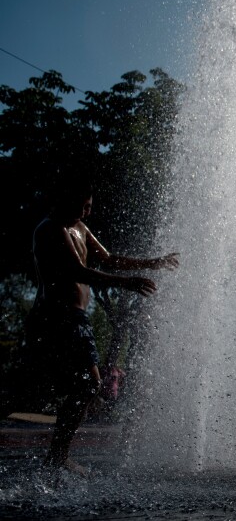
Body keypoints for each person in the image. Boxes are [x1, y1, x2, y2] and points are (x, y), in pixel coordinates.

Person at [0, 178, 178, 475]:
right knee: (74, 385)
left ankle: (57, 456)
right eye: (82, 206)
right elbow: (76, 271)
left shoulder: (80, 228)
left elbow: (108, 259)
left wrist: (153, 262)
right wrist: (128, 284)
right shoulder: (50, 229)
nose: (87, 212)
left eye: (89, 207)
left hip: (75, 319)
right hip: (55, 318)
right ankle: (57, 457)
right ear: (64, 200)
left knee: (56, 387)